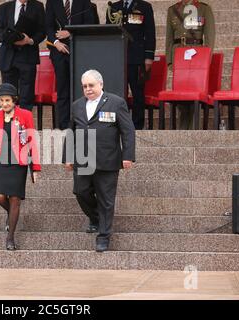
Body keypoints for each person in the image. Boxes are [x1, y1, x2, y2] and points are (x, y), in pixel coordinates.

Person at [64, 70, 135, 252]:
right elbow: (71, 132)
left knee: (106, 199)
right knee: (81, 192)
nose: (88, 89)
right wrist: (68, 157)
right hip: (83, 159)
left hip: (107, 160)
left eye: (91, 85)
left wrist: (128, 155)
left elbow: (127, 131)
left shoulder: (116, 103)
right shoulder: (77, 105)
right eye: (85, 86)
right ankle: (95, 218)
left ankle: (103, 236)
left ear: (101, 85)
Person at [0, 83, 41, 250]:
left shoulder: (25, 115)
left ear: (14, 100)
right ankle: (11, 214)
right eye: (1, 101)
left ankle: (10, 238)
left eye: (7, 100)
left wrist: (35, 168)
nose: (4, 104)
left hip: (18, 163)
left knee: (15, 199)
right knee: (0, 196)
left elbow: (31, 142)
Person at [106, 0, 156, 130]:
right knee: (116, 94)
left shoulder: (144, 7)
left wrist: (149, 57)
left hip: (137, 57)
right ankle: (118, 125)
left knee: (137, 93)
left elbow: (150, 34)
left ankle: (137, 126)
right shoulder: (113, 7)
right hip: (118, 57)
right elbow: (108, 32)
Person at [165, 0, 215, 129]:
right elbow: (169, 38)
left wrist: (206, 60)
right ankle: (182, 129)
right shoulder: (172, 10)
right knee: (181, 96)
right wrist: (169, 60)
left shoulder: (204, 9)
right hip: (178, 55)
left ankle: (193, 129)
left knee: (194, 93)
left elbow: (210, 37)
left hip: (197, 55)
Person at [46, 0, 95, 129]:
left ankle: (80, 124)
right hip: (59, 51)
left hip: (80, 50)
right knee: (62, 89)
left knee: (81, 89)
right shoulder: (52, 2)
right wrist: (56, 42)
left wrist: (71, 32)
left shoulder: (84, 2)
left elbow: (90, 23)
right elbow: (48, 26)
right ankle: (63, 125)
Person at [0, 0, 46, 111]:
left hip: (28, 56)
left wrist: (30, 40)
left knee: (27, 94)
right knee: (8, 93)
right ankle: (9, 123)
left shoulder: (37, 6)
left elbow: (42, 30)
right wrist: (10, 38)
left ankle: (24, 123)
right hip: (8, 56)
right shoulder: (4, 8)